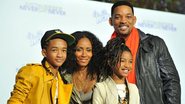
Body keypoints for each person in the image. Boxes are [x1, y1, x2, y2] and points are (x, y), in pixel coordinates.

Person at [108, 1, 181, 104]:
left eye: (128, 17)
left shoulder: (155, 44)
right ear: (110, 21)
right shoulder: (107, 52)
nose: (123, 21)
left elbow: (171, 81)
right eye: (118, 17)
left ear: (134, 20)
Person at [7, 29, 75, 104]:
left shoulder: (62, 80)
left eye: (63, 50)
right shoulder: (32, 71)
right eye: (54, 50)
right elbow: (15, 100)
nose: (60, 55)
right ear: (44, 53)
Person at [93, 37, 140, 104]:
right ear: (110, 62)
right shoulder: (101, 88)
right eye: (122, 61)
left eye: (130, 61)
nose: (127, 65)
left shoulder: (133, 89)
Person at [61, 31, 103, 104]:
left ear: (94, 52)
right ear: (72, 51)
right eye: (79, 50)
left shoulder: (102, 76)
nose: (84, 54)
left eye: (88, 50)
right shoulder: (64, 77)